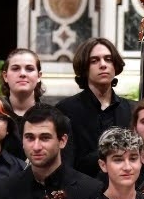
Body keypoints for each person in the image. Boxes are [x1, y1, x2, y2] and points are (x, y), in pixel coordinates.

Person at [57, 38, 133, 178]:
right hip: (81, 187)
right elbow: (65, 163)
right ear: (84, 68)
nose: (103, 65)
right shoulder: (65, 109)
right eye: (94, 61)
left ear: (115, 65)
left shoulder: (132, 109)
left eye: (108, 59)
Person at [1, 47, 44, 159]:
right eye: (15, 69)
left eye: (29, 69)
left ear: (39, 76)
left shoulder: (51, 117)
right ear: (5, 76)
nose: (23, 74)